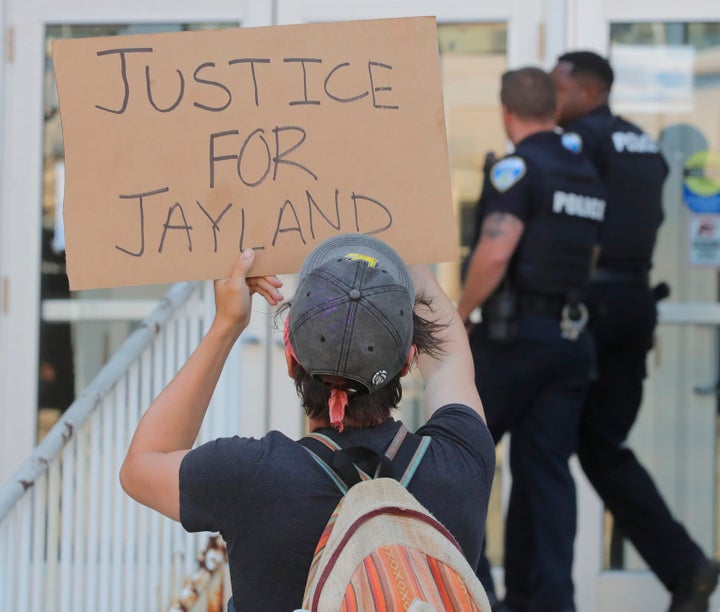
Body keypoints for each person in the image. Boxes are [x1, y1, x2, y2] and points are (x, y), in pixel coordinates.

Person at [120, 233, 496, 610]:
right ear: (408, 360)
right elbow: (449, 360)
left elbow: (144, 462)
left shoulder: (249, 477)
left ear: (290, 358)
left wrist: (228, 323)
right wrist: (403, 248)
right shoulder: (461, 462)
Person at [551, 50, 720, 612]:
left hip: (589, 308)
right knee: (603, 447)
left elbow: (573, 221)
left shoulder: (579, 142)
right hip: (633, 306)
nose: (554, 99)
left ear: (591, 92)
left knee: (545, 445)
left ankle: (541, 594)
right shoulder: (646, 147)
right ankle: (686, 566)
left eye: (561, 87)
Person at [458, 66, 606, 611]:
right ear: (554, 108)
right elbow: (587, 255)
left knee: (459, 456)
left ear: (506, 113)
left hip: (513, 340)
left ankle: (475, 594)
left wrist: (460, 314)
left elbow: (497, 250)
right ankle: (545, 602)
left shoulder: (519, 168)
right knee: (545, 475)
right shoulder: (584, 171)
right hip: (569, 340)